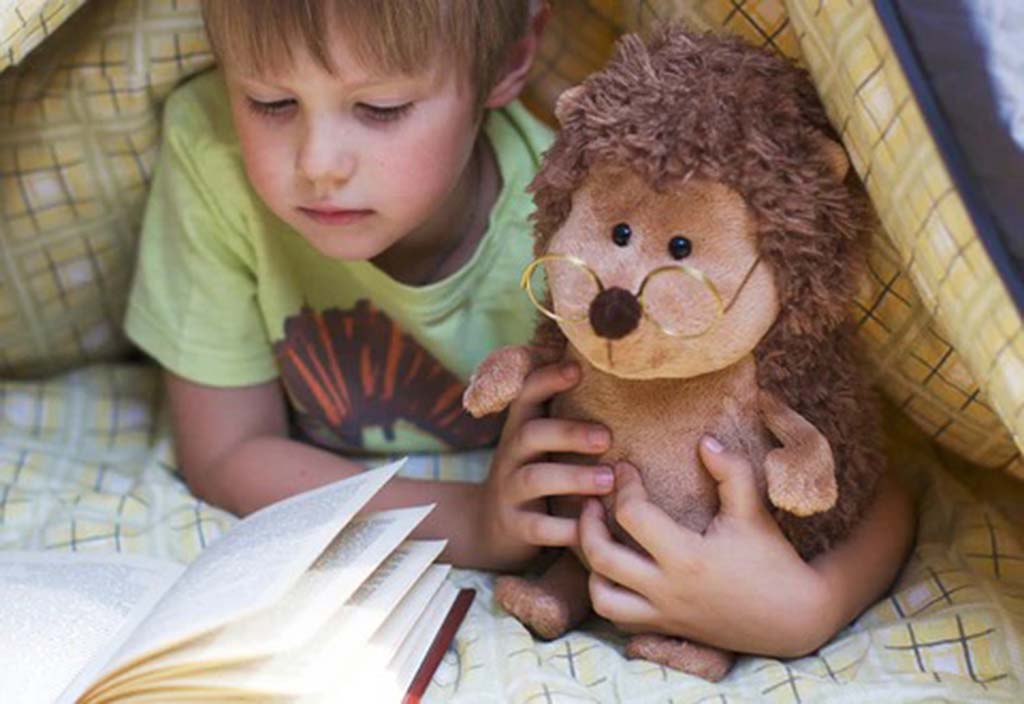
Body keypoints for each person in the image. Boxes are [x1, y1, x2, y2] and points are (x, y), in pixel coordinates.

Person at [124, 0, 914, 657]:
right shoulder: (214, 155)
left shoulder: (599, 233)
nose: (319, 161)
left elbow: (877, 471)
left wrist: (806, 609)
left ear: (510, 60)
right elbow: (225, 451)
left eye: (381, 108)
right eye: (270, 101)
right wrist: (472, 522)